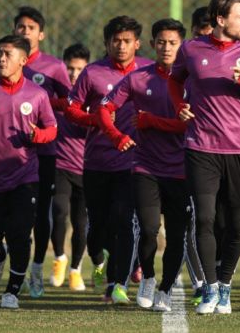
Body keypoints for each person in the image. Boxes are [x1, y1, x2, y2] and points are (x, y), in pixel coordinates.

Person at [168, 0, 240, 315]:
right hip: (201, 148)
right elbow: (174, 81)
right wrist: (180, 106)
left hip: (239, 151)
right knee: (205, 218)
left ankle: (225, 286)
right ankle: (210, 289)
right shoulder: (191, 49)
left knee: (236, 225)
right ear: (221, 20)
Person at [97, 18, 190, 311]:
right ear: (151, 44)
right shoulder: (138, 78)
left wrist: (152, 122)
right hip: (146, 166)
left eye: (173, 42)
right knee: (149, 229)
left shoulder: (192, 80)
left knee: (177, 234)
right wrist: (116, 135)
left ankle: (165, 289)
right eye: (161, 42)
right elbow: (104, 108)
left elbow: (189, 124)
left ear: (182, 45)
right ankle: (148, 277)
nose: (166, 47)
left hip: (183, 168)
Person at [66, 15, 153, 303]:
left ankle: (117, 284)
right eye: (115, 40)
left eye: (127, 40)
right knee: (97, 230)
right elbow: (71, 110)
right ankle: (99, 261)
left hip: (133, 162)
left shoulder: (147, 72)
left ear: (137, 43)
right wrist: (97, 119)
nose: (121, 45)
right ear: (106, 43)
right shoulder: (92, 73)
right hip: (96, 162)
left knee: (123, 219)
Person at [0, 7, 72, 298]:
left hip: (38, 159)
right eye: (20, 26)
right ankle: (0, 256)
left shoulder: (50, 72)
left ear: (41, 33)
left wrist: (39, 126)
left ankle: (31, 273)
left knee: (34, 219)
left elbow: (66, 108)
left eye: (30, 27)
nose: (24, 31)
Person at [48, 43, 91, 291]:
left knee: (81, 222)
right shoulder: (58, 101)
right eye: (70, 69)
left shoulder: (94, 100)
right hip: (60, 165)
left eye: (79, 70)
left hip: (86, 169)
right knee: (59, 210)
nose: (74, 74)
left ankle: (76, 269)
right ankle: (59, 259)